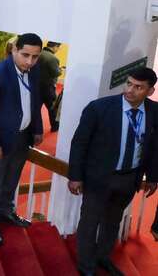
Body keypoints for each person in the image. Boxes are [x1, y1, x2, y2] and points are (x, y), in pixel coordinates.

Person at [68, 67, 158, 276]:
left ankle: (103, 257)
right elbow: (80, 143)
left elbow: (155, 147)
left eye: (138, 87)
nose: (130, 90)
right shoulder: (99, 108)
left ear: (150, 91)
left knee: (112, 221)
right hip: (99, 178)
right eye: (128, 83)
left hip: (129, 178)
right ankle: (86, 265)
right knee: (90, 222)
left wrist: (153, 177)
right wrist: (75, 176)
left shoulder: (154, 112)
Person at [0, 33, 44, 246]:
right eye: (25, 55)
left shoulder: (33, 71)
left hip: (22, 138)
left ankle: (6, 211)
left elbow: (35, 103)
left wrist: (38, 129)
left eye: (35, 56)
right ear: (14, 49)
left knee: (12, 179)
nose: (29, 61)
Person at [37, 41, 61, 132]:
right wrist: (61, 70)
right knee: (53, 108)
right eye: (58, 48)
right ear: (55, 46)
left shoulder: (38, 53)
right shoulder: (53, 58)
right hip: (48, 88)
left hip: (36, 86)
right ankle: (55, 127)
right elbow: (56, 73)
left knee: (35, 109)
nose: (58, 50)